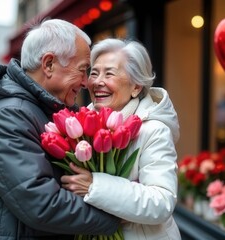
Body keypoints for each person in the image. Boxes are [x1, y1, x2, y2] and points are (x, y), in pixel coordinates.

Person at [0, 19, 120, 240]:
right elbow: (41, 204)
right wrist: (118, 215)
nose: (86, 82)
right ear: (49, 65)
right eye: (83, 70)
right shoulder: (9, 116)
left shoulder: (40, 109)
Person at [61, 38, 182, 239]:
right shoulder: (81, 126)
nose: (98, 82)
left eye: (109, 73)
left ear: (136, 86)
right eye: (94, 73)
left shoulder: (153, 131)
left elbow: (162, 202)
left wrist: (95, 186)